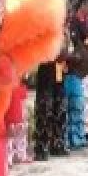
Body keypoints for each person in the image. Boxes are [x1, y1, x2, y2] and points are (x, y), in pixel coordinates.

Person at [33, 28, 69, 160]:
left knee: (60, 108)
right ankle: (41, 147)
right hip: (46, 72)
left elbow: (67, 50)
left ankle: (58, 144)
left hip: (59, 72)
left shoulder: (64, 31)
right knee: (44, 110)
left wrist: (65, 54)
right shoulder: (43, 31)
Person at [64, 1, 88, 151]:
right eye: (66, 13)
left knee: (79, 104)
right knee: (74, 105)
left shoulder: (77, 26)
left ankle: (79, 136)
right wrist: (73, 56)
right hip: (70, 71)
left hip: (78, 71)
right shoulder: (70, 27)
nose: (68, 16)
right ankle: (73, 138)